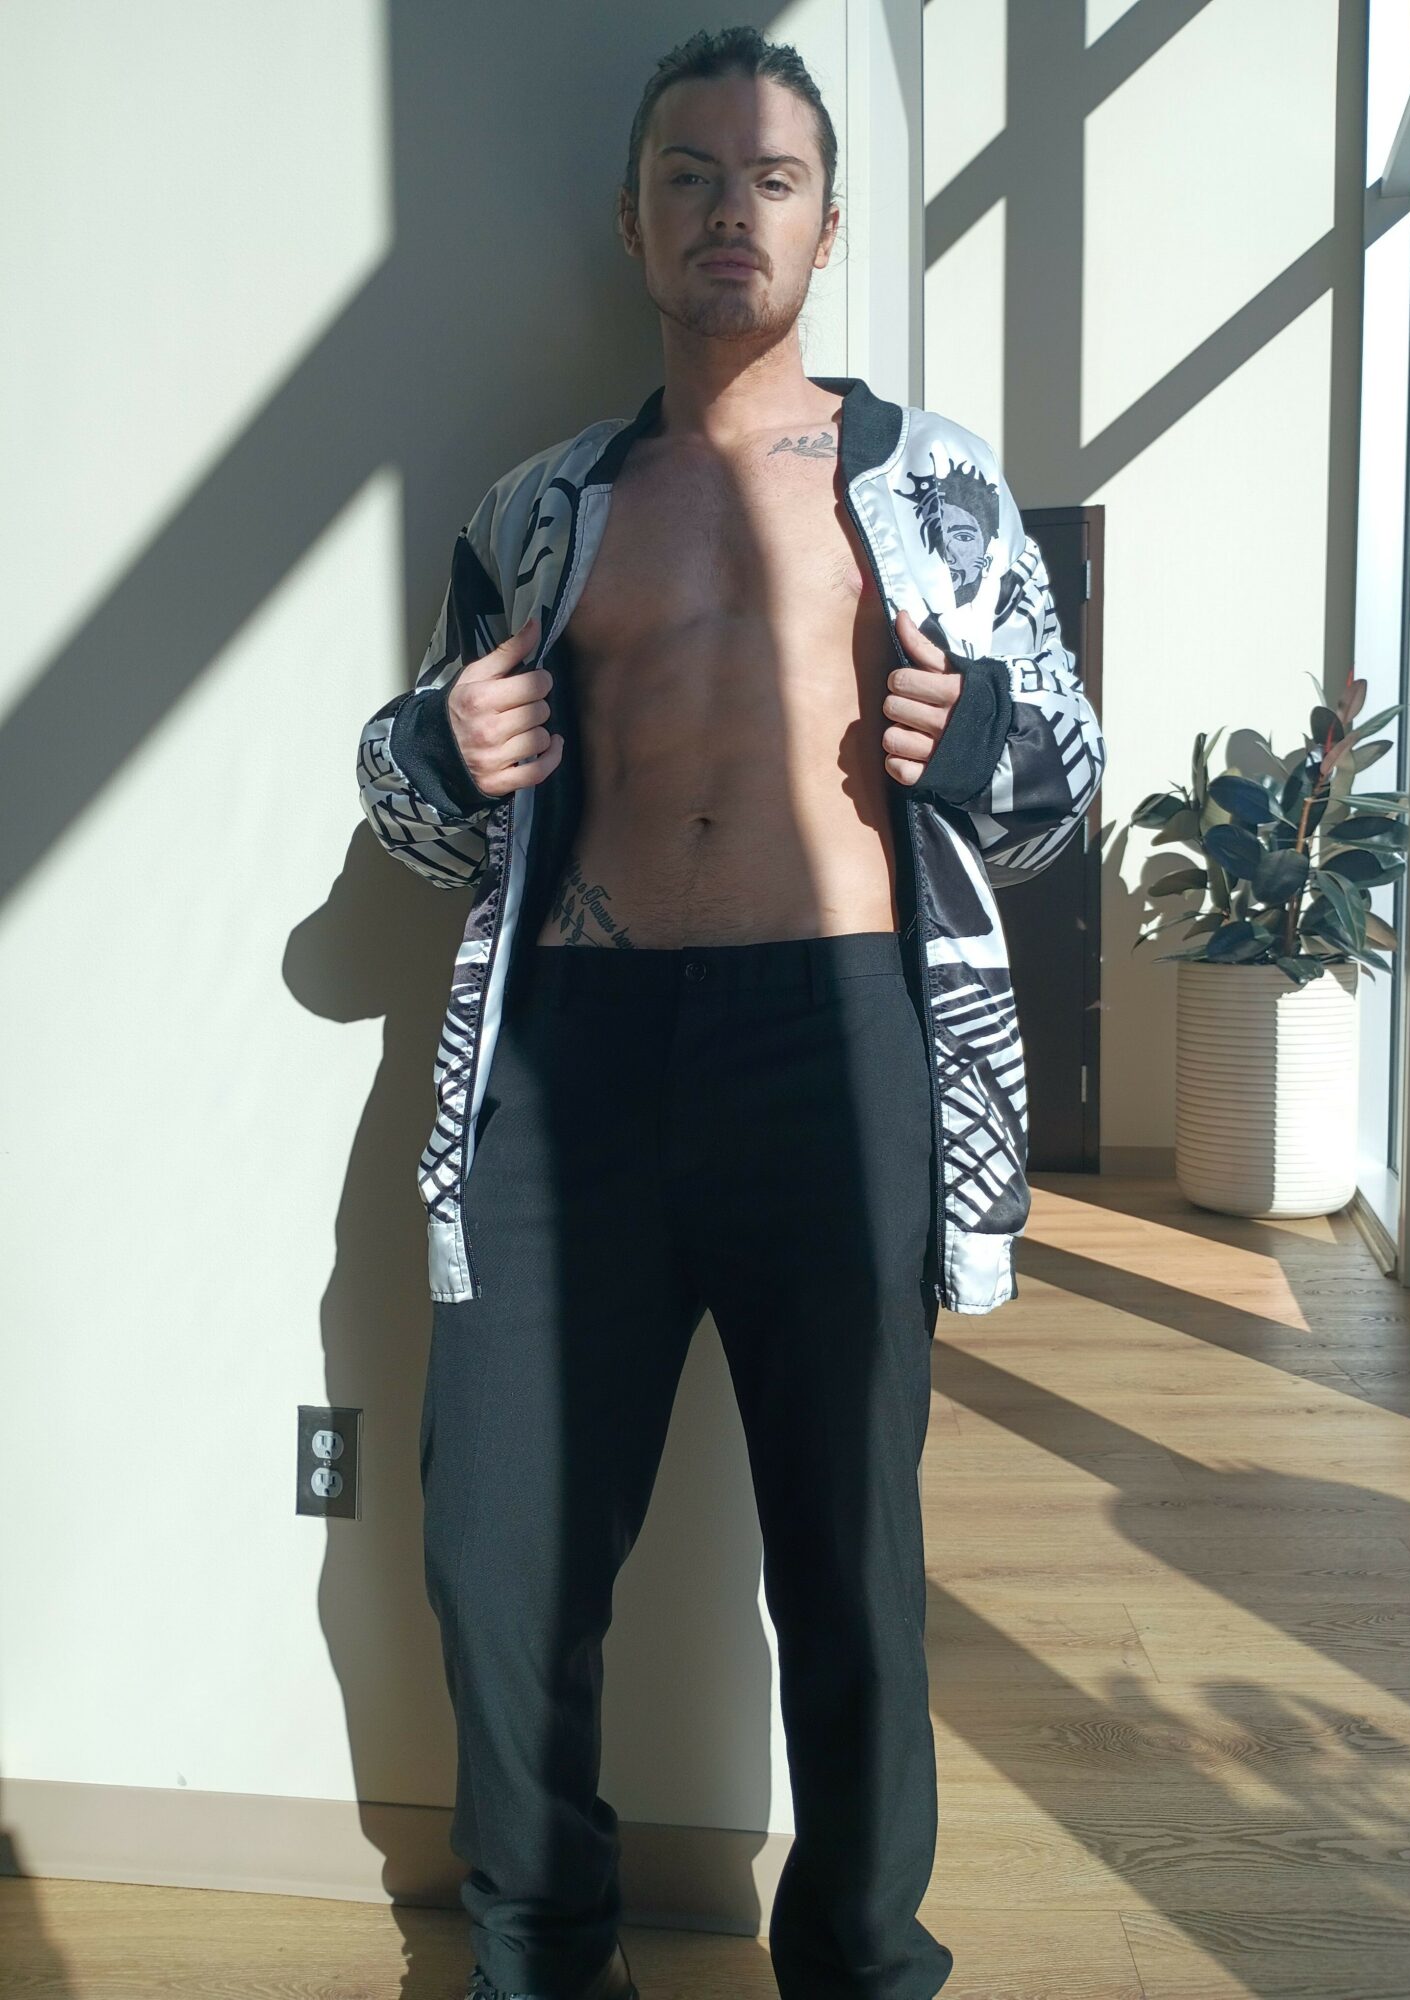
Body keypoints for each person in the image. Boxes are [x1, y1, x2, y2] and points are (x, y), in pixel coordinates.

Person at [355, 26, 1105, 2000]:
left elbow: (1064, 795)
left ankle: (859, 1962)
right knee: (500, 1558)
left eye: (771, 178)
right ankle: (540, 1959)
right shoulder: (541, 507)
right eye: (687, 175)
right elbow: (419, 814)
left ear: (827, 228)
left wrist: (979, 740)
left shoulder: (936, 486)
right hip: (563, 1064)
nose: (727, 210)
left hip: (833, 1044)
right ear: (632, 221)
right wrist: (439, 751)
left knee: (850, 1568)